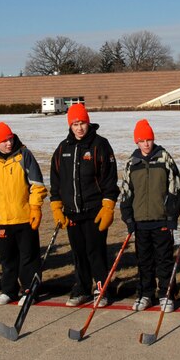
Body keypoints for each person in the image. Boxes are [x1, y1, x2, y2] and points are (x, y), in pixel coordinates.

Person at [49, 103, 120, 307]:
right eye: (75, 124)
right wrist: (56, 206)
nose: (79, 128)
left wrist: (108, 206)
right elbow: (56, 180)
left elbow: (109, 178)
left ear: (88, 123)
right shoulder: (63, 148)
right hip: (72, 212)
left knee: (95, 252)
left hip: (94, 211)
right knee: (78, 253)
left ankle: (101, 289)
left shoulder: (100, 145)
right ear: (70, 125)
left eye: (82, 123)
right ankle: (81, 288)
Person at [0, 122, 47, 306]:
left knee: (28, 257)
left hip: (24, 217)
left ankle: (30, 290)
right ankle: (9, 290)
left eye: (10, 139)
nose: (8, 143)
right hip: (1, 219)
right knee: (7, 258)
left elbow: (37, 185)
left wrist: (35, 208)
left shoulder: (24, 156)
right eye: (4, 141)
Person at [120, 119, 180, 313]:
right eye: (142, 140)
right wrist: (128, 218)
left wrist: (171, 215)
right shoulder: (132, 163)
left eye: (149, 139)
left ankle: (166, 294)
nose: (146, 144)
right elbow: (126, 192)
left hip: (161, 219)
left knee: (164, 259)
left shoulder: (164, 158)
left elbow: (175, 188)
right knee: (144, 261)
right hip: (140, 221)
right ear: (136, 142)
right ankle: (145, 293)